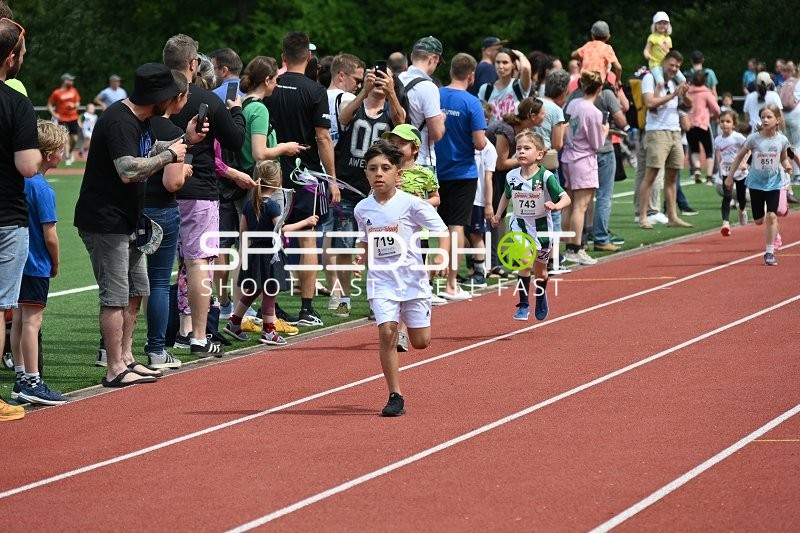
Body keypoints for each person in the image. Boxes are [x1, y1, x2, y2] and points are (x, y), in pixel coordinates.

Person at [74, 62, 201, 387]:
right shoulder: (119, 120)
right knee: (116, 296)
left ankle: (127, 359)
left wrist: (182, 140)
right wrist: (169, 156)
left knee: (136, 291)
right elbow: (128, 169)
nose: (175, 103)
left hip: (128, 220)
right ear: (157, 97)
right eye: (172, 97)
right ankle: (115, 367)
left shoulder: (141, 120)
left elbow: (146, 149)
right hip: (105, 221)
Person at [164, 34, 250, 356]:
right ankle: (198, 335)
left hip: (157, 189)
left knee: (160, 266)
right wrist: (236, 110)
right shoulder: (207, 99)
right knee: (199, 263)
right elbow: (234, 139)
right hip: (197, 190)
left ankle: (167, 335)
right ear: (192, 64)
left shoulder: (149, 97)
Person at [354, 140, 450, 417]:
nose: (379, 174)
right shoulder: (362, 209)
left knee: (421, 342)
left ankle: (407, 324)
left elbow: (442, 231)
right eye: (373, 169)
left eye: (385, 168)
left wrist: (440, 257)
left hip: (413, 280)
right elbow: (365, 239)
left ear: (399, 173)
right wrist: (361, 257)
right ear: (366, 175)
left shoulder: (413, 204)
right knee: (386, 333)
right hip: (381, 281)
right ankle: (395, 395)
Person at [264, 31, 338, 327]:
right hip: (306, 174)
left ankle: (272, 306)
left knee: (269, 237)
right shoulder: (315, 91)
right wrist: (332, 180)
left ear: (283, 58)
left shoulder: (270, 87)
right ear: (309, 58)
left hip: (271, 172)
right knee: (308, 237)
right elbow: (322, 137)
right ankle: (307, 308)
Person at [330, 61, 405, 317]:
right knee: (344, 246)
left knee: (378, 249)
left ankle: (377, 298)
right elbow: (342, 118)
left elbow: (401, 121)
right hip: (348, 185)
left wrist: (392, 91)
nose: (380, 80)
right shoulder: (352, 102)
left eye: (385, 76)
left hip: (379, 192)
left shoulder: (391, 108)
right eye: (376, 75)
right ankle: (344, 297)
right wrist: (365, 90)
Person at [223, 160, 317, 344]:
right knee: (269, 291)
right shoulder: (272, 205)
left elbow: (244, 231)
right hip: (270, 254)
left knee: (254, 290)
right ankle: (268, 331)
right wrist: (306, 222)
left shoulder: (250, 204)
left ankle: (234, 322)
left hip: (255, 252)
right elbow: (280, 230)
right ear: (276, 181)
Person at [10, 120, 67, 405]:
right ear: (49, 154)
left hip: (17, 261)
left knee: (19, 320)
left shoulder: (19, 180)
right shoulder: (43, 189)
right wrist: (55, 263)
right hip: (35, 264)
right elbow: (51, 235)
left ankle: (21, 377)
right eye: (60, 149)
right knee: (33, 321)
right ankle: (32, 380)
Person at [1, 15, 40, 421]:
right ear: (11, 58)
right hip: (6, 217)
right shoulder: (16, 102)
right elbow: (29, 166)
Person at [142, 70, 194, 370]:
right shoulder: (171, 131)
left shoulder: (133, 124)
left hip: (131, 207)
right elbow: (172, 183)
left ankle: (107, 349)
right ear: (178, 97)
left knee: (122, 283)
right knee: (159, 282)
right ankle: (157, 349)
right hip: (161, 209)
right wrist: (186, 171)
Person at [490, 131, 571, 321]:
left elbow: (565, 197)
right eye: (518, 149)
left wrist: (555, 205)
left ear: (540, 154)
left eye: (527, 148)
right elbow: (506, 195)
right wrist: (498, 214)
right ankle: (523, 304)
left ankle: (541, 295)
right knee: (524, 263)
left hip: (542, 229)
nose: (522, 152)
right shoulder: (511, 176)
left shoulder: (546, 177)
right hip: (519, 227)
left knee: (540, 271)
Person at [434, 52, 487, 300]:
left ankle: (429, 279)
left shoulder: (436, 95)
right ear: (471, 75)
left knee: (433, 228)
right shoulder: (471, 102)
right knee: (456, 227)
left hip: (434, 169)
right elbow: (479, 142)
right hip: (462, 171)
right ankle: (451, 284)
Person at [726, 105, 793, 266]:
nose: (765, 120)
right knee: (758, 220)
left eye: (769, 117)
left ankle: (769, 252)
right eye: (763, 117)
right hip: (756, 184)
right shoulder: (754, 139)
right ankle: (774, 230)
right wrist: (730, 177)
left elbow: (783, 158)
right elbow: (739, 157)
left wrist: (786, 165)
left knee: (771, 215)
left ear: (777, 120)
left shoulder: (782, 140)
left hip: (774, 184)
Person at [486, 97, 546, 277]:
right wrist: (527, 159)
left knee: (501, 218)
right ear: (532, 115)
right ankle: (492, 263)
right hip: (487, 176)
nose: (545, 116)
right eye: (542, 113)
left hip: (495, 175)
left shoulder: (523, 131)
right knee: (494, 219)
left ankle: (504, 259)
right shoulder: (506, 131)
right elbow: (500, 163)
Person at [637, 50, 693, 230]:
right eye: (672, 65)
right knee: (651, 175)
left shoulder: (676, 80)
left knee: (672, 176)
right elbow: (650, 103)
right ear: (664, 62)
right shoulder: (650, 78)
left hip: (675, 131)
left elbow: (688, 105)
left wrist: (684, 93)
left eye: (677, 66)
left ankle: (673, 216)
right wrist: (673, 95)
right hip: (657, 132)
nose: (674, 69)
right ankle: (643, 216)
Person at [560, 71, 610, 266]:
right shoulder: (594, 112)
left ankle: (569, 245)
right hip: (584, 159)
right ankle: (575, 247)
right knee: (581, 206)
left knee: (570, 204)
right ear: (599, 88)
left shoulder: (572, 104)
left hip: (569, 156)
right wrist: (605, 129)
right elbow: (596, 142)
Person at [398, 36, 447, 169]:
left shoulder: (397, 80)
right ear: (433, 59)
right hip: (420, 161)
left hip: (394, 159)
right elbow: (436, 134)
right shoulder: (428, 87)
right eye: (438, 63)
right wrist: (441, 119)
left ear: (412, 56)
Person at [715, 110, 748, 236]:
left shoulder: (738, 137)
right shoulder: (718, 140)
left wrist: (745, 163)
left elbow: (748, 149)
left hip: (740, 171)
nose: (724, 124)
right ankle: (725, 223)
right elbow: (718, 155)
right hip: (726, 171)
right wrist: (719, 168)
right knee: (727, 196)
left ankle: (742, 209)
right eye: (722, 121)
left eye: (728, 122)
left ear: (733, 124)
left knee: (741, 197)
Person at [477, 47, 532, 122]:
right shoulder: (486, 88)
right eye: (498, 62)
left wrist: (520, 55)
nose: (500, 66)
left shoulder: (519, 86)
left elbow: (526, 68)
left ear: (513, 64)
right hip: (491, 133)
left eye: (505, 62)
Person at [686, 70, 720, 185]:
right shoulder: (706, 93)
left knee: (694, 149)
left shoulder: (688, 92)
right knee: (709, 151)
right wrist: (715, 117)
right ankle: (709, 177)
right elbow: (716, 109)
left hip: (690, 125)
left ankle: (697, 168)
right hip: (703, 124)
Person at [643, 11, 685, 87]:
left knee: (683, 80)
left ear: (668, 25)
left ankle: (678, 96)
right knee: (660, 82)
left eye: (664, 23)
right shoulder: (653, 37)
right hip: (655, 64)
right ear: (655, 25)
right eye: (659, 23)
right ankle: (657, 97)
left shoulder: (668, 38)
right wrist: (647, 55)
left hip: (666, 64)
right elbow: (646, 49)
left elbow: (669, 54)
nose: (662, 25)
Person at [47, 72, 80, 165]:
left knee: (75, 139)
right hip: (62, 119)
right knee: (66, 138)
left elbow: (77, 103)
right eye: (70, 80)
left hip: (73, 117)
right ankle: (68, 157)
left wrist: (73, 105)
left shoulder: (74, 91)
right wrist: (54, 113)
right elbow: (49, 105)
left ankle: (70, 153)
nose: (72, 82)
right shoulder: (57, 92)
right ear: (65, 81)